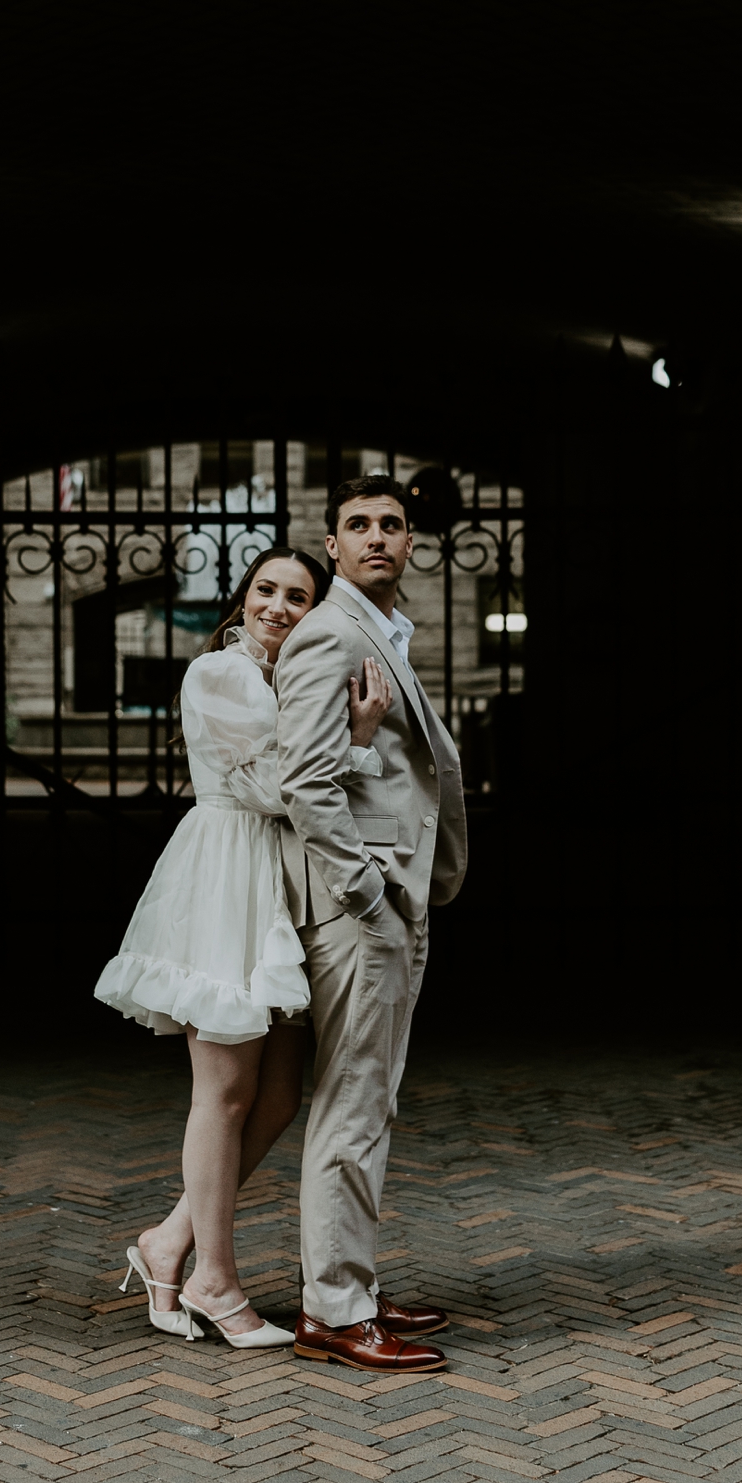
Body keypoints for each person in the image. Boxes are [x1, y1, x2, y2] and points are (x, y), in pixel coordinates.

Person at [94, 542, 394, 1348]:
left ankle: (167, 1240)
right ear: (243, 597)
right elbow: (279, 788)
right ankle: (214, 1281)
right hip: (227, 880)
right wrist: (357, 739)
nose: (278, 608)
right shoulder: (220, 674)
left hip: (280, 884)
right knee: (223, 1095)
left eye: (298, 598)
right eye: (266, 590)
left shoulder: (286, 678)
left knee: (280, 1093)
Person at [273, 474, 469, 1373]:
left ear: (412, 541)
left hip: (398, 897)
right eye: (359, 526)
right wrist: (368, 897)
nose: (379, 537)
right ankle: (335, 1311)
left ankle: (352, 1282)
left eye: (393, 524)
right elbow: (306, 782)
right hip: (367, 907)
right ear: (333, 542)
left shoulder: (382, 630)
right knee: (352, 1104)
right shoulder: (330, 632)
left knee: (371, 1101)